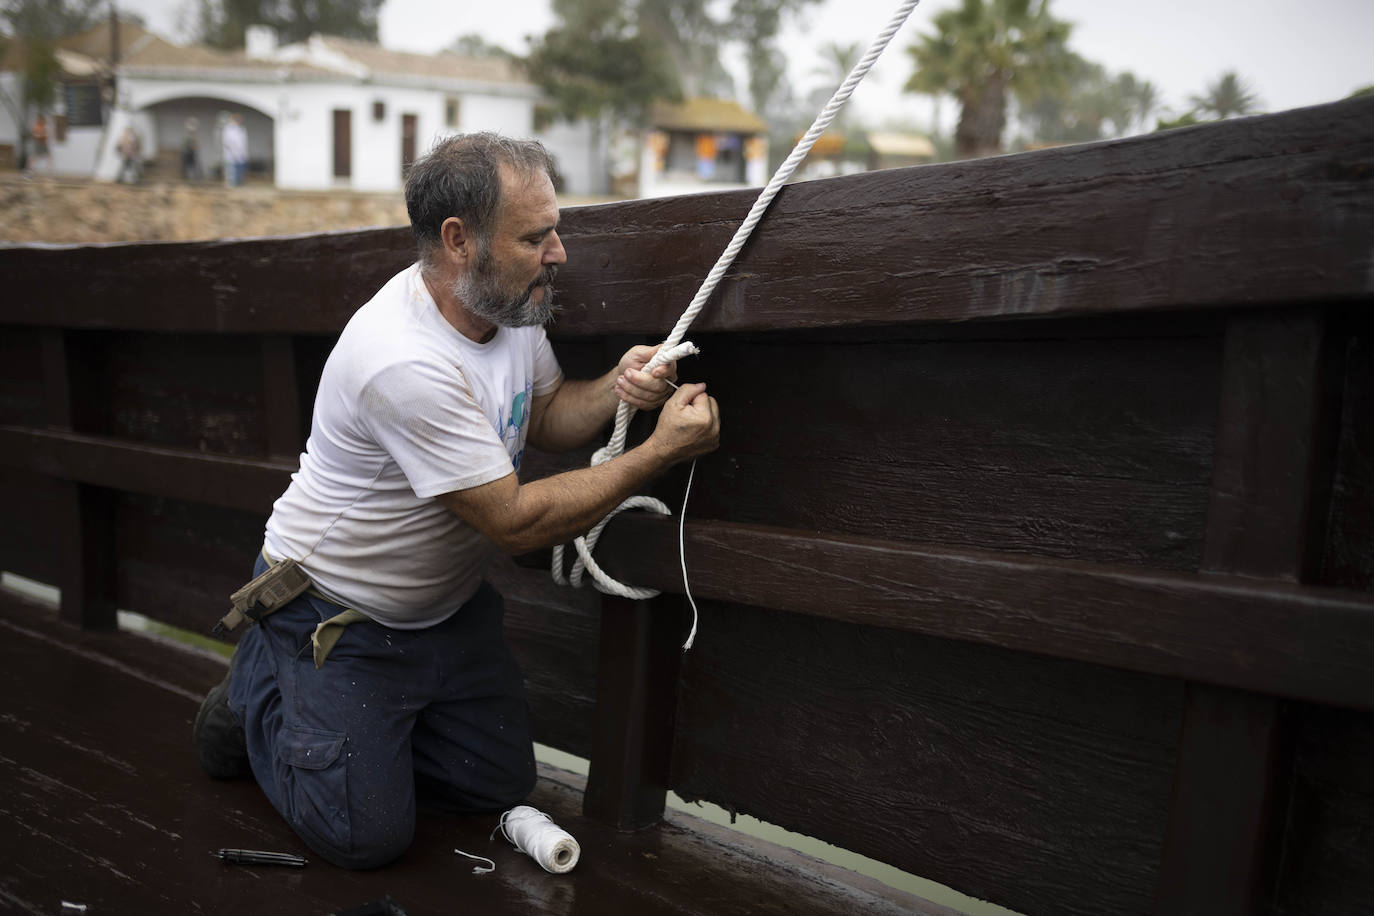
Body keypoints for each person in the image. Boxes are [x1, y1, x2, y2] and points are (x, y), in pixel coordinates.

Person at [192, 132, 720, 869]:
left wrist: (618, 387)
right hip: (333, 611)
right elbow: (512, 521)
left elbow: (544, 415)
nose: (559, 253)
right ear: (458, 241)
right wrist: (658, 452)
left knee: (496, 785)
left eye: (555, 230)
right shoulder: (400, 359)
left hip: (441, 614)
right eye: (536, 237)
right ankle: (254, 699)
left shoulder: (504, 306)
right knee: (362, 837)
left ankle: (348, 730)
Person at [221, 112, 247, 186]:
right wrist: (234, 152)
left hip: (240, 155)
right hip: (231, 155)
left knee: (239, 173)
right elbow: (227, 142)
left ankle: (238, 185)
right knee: (232, 172)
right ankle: (232, 185)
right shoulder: (228, 129)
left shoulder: (241, 129)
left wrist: (242, 153)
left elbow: (242, 143)